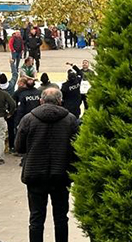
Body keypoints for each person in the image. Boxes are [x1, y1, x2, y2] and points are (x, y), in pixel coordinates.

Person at [15, 87, 80, 242]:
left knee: (36, 218)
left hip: (35, 174)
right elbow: (78, 148)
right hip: (61, 174)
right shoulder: (70, 120)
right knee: (61, 218)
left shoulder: (28, 119)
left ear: (41, 100)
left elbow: (19, 147)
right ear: (60, 101)